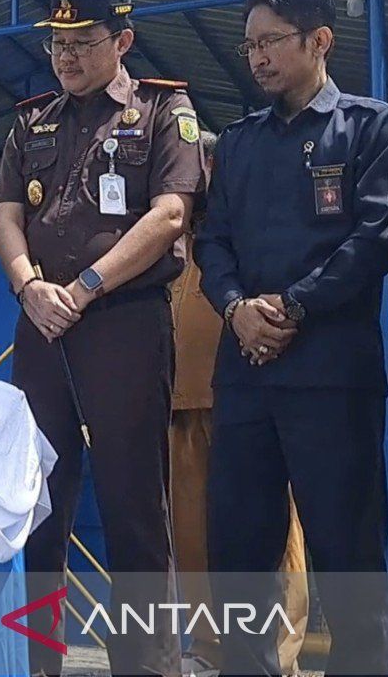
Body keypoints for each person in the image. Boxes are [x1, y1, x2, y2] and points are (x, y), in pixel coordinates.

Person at [196, 0, 388, 676]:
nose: (256, 58)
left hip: (332, 379)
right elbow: (213, 243)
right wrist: (235, 308)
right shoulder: (238, 142)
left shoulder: (372, 126)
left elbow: (374, 239)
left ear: (320, 41)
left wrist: (292, 306)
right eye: (250, 44)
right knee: (240, 556)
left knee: (348, 557)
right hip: (247, 378)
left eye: (270, 42)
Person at [0, 0, 203, 676]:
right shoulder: (31, 123)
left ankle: (145, 665)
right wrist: (28, 287)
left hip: (125, 325)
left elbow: (170, 214)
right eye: (58, 44)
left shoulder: (165, 111)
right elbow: (5, 218)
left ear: (122, 42)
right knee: (39, 507)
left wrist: (83, 287)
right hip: (41, 330)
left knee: (133, 506)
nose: (67, 57)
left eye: (83, 43)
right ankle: (38, 662)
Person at [169, 130, 307, 677]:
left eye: (203, 163)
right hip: (177, 402)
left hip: (246, 397)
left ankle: (280, 652)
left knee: (272, 536)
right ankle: (208, 646)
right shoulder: (171, 224)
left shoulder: (251, 220)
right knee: (194, 537)